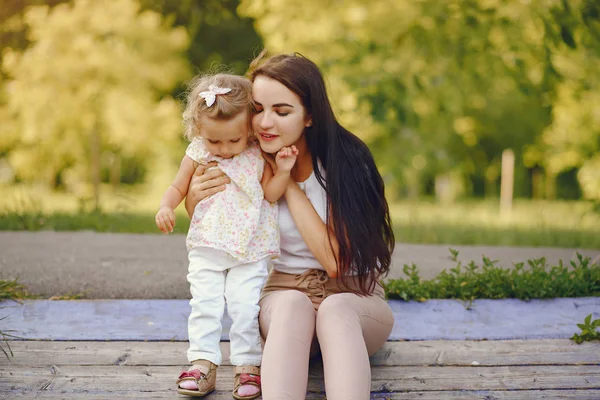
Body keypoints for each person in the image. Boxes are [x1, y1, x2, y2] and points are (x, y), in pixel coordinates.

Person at [185, 52, 395, 400]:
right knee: (291, 304)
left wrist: (288, 184)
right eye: (257, 109)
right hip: (283, 296)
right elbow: (212, 226)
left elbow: (335, 262)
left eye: (281, 112)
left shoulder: (347, 161)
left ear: (310, 116)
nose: (265, 123)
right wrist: (194, 197)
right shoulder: (239, 155)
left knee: (334, 309)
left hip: (354, 297)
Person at [155, 73, 297, 399]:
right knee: (204, 304)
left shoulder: (256, 152)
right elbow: (178, 186)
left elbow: (271, 194)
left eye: (233, 140)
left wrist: (285, 171)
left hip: (250, 248)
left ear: (248, 128)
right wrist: (166, 206)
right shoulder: (197, 153)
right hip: (208, 245)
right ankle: (202, 363)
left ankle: (247, 366)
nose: (225, 148)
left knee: (245, 307)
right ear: (198, 130)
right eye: (214, 141)